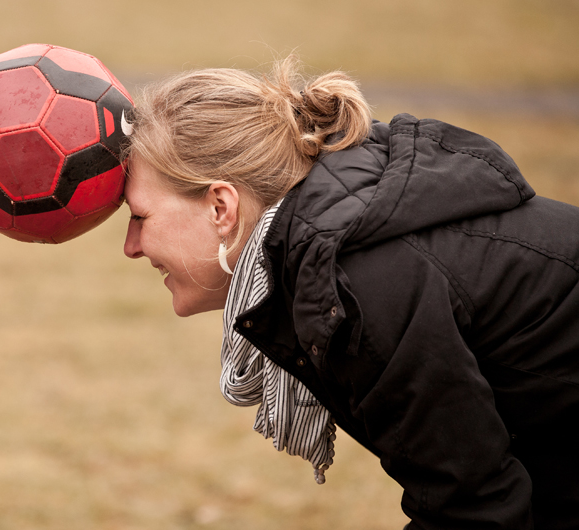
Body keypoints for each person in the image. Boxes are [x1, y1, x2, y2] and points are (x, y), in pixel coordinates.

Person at [121, 59, 579, 529]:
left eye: (140, 217)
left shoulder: (357, 285)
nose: (130, 247)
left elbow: (473, 510)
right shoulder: (331, 251)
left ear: (222, 206)